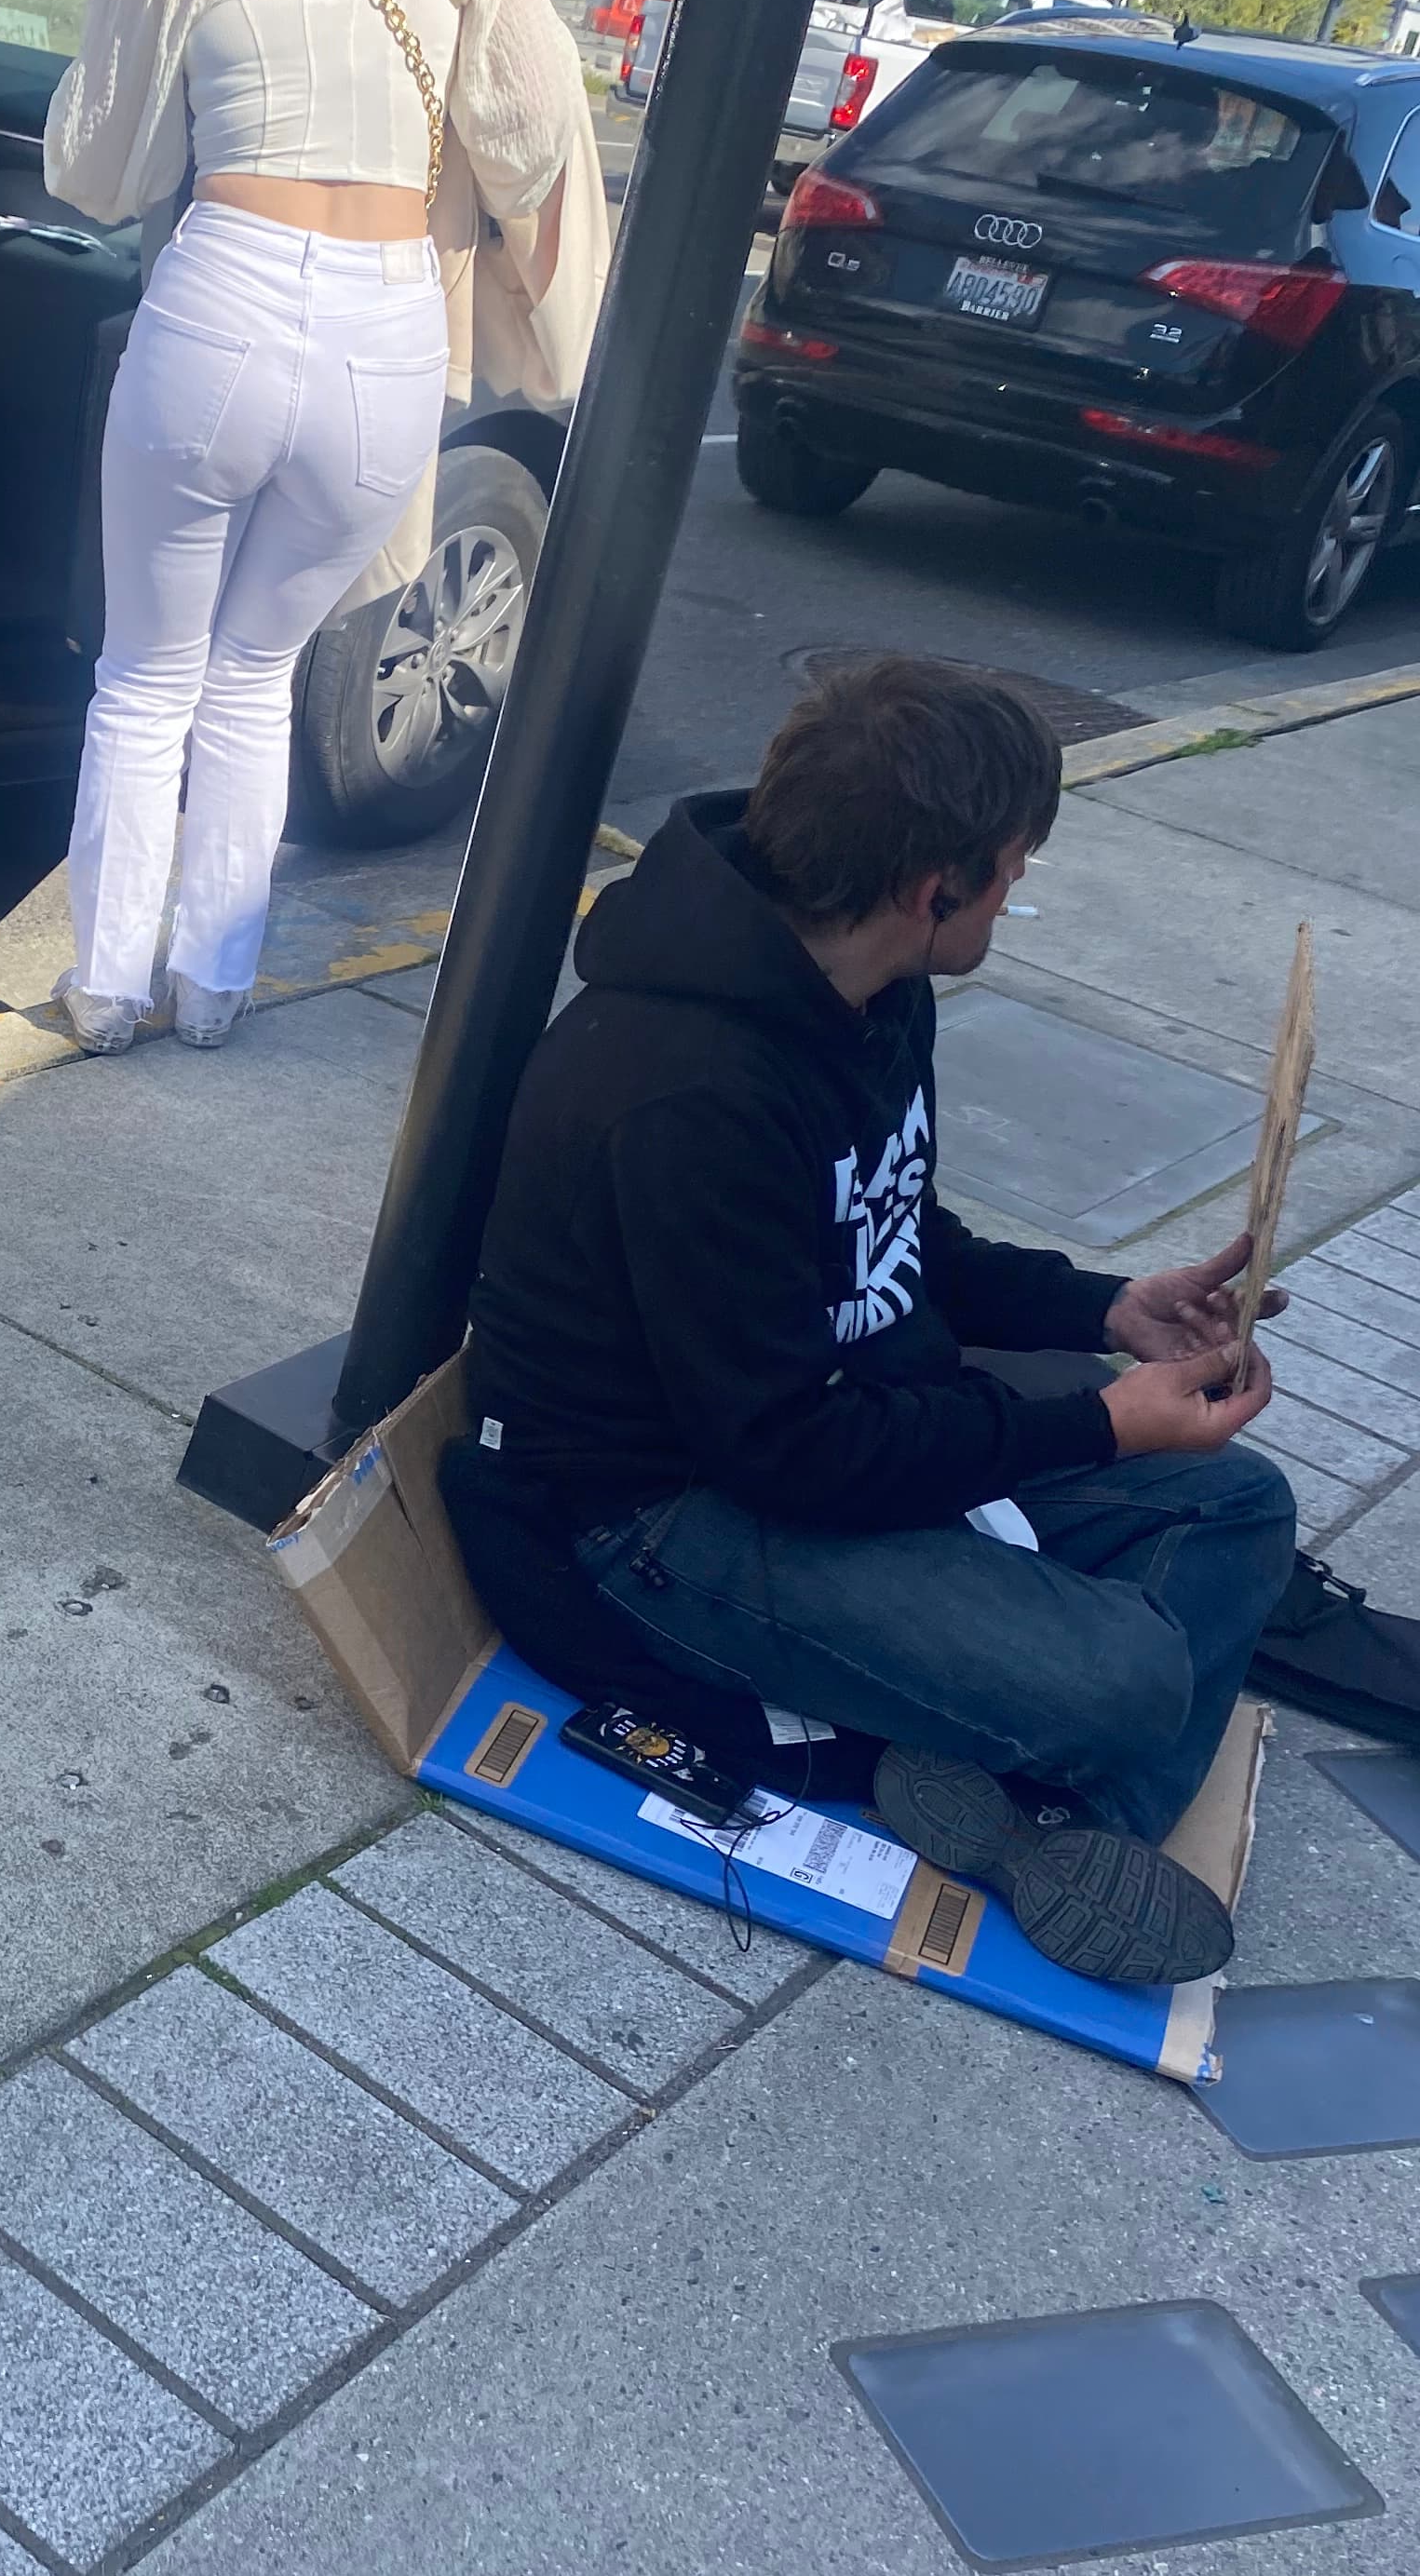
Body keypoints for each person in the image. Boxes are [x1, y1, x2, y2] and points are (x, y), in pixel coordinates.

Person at [458, 654, 1296, 1990]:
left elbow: (898, 1234)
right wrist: (1095, 1427)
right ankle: (1039, 1780)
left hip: (843, 1424)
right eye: (1013, 870)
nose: (1015, 896)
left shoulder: (873, 988)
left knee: (1240, 1507)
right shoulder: (685, 1091)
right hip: (657, 1515)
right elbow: (786, 1451)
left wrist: (1104, 1307)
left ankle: (1057, 1823)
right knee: (1136, 1678)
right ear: (934, 888)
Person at [40, 0, 603, 1055]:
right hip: (386, 334)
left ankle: (106, 988)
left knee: (146, 677)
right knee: (255, 675)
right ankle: (215, 988)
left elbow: (99, 167)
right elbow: (534, 119)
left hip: (223, 305)